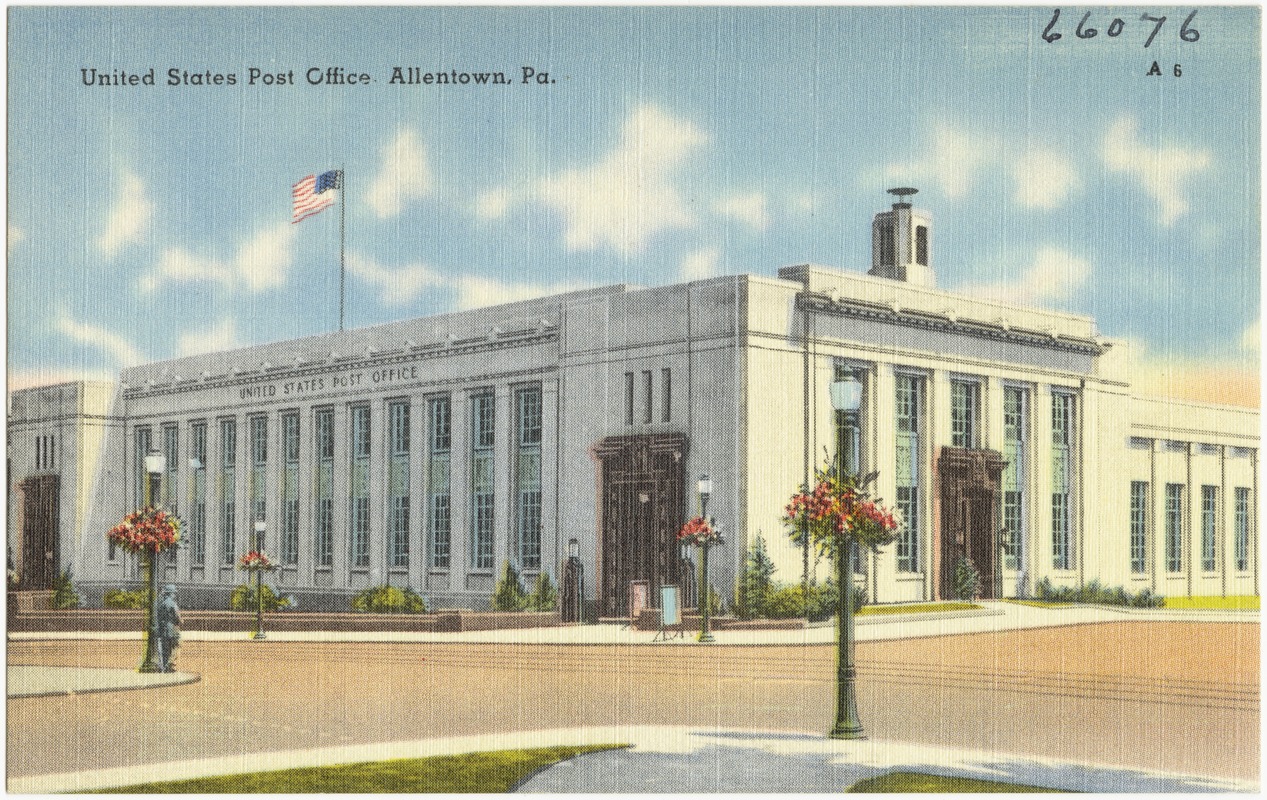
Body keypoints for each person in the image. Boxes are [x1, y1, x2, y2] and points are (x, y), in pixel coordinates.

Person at [156, 584, 182, 673]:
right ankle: (171, 665)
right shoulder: (172, 603)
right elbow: (177, 615)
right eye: (174, 593)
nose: (174, 595)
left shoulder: (161, 604)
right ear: (170, 593)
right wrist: (181, 621)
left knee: (165, 648)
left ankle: (164, 666)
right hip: (173, 628)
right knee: (176, 646)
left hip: (163, 629)